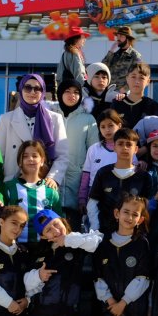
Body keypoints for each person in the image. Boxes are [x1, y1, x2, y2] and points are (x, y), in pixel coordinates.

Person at [0, 75, 69, 186]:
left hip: (44, 183)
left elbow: (62, 155)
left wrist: (53, 177)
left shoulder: (55, 118)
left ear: (43, 92)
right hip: (13, 183)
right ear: (21, 90)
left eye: (37, 88)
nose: (32, 92)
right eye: (28, 87)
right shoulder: (6, 119)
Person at [53, 80, 99, 222]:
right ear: (60, 94)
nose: (72, 95)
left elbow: (94, 151)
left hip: (78, 179)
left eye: (76, 92)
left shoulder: (88, 119)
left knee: (74, 227)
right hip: (53, 178)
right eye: (67, 91)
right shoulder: (51, 116)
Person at [2, 140, 61, 244]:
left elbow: (60, 220)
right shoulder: (9, 187)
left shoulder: (50, 190)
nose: (30, 159)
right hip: (16, 247)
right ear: (19, 161)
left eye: (34, 156)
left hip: (44, 248)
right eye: (25, 156)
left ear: (42, 160)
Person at [111, 63, 158, 132]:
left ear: (148, 82)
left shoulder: (153, 106)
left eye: (141, 78)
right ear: (127, 79)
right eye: (133, 77)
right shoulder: (117, 103)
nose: (137, 81)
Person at [102, 26, 144, 94]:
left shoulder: (135, 55)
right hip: (109, 91)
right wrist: (111, 51)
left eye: (121, 36)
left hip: (124, 93)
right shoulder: (114, 54)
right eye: (117, 36)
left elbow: (138, 75)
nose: (118, 39)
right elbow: (102, 67)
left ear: (128, 39)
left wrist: (125, 88)